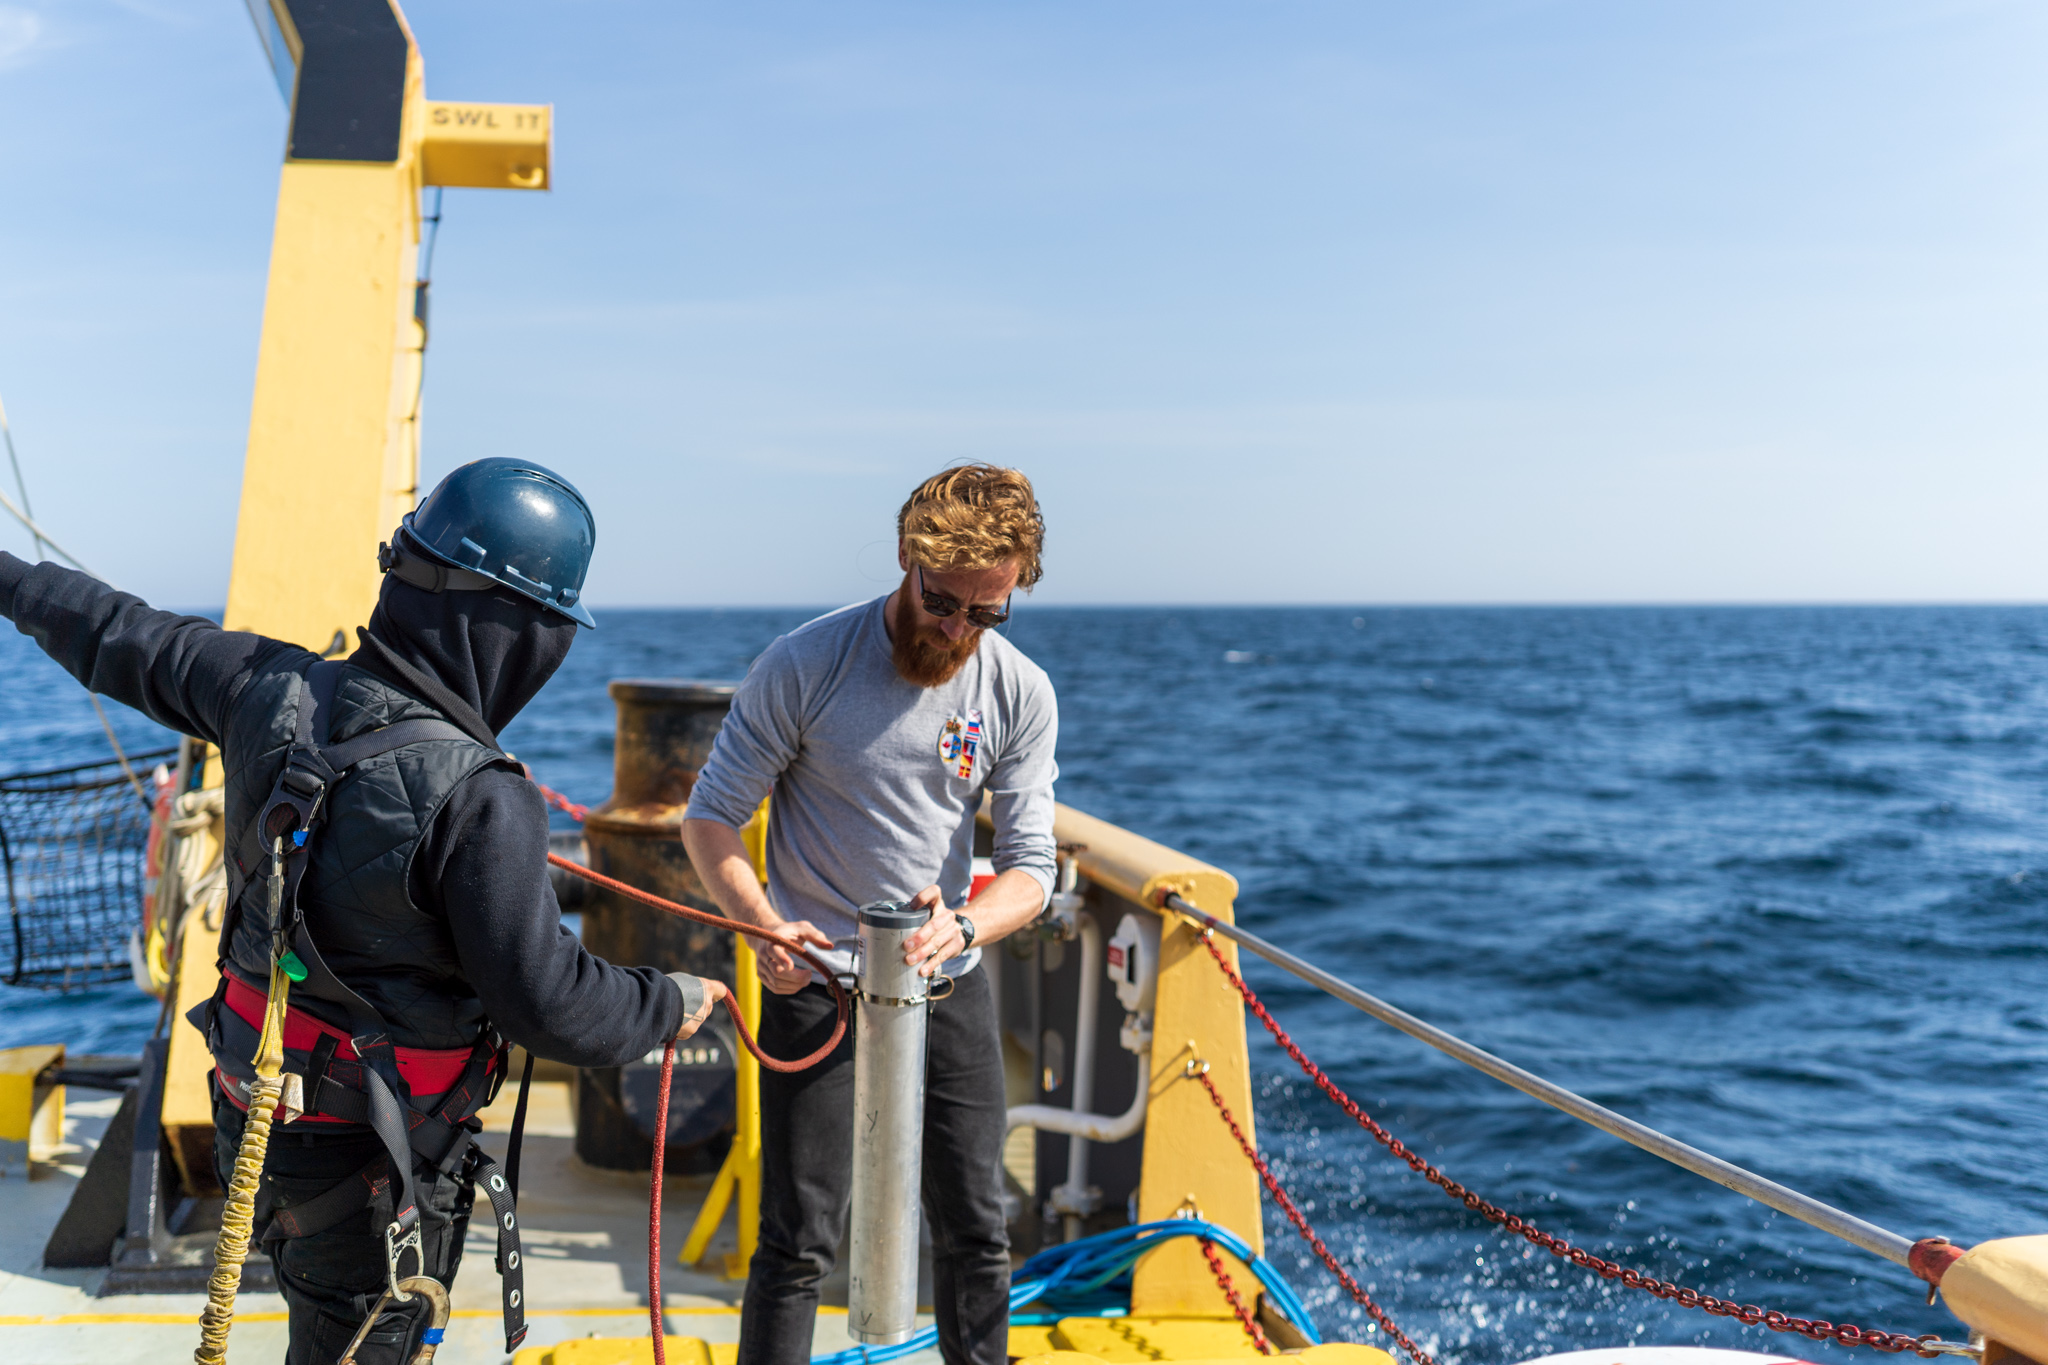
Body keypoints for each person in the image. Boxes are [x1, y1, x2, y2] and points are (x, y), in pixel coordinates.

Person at [0, 458, 727, 1365]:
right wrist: (672, 998)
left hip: (255, 1117)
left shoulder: (263, 686)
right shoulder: (485, 799)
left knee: (318, 1318)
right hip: (378, 1161)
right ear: (519, 632)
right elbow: (552, 1004)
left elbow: (113, 630)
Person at [683, 462, 1059, 1365]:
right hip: (819, 981)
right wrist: (763, 919)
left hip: (944, 976)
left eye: (987, 611)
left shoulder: (1020, 691)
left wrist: (965, 924)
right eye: (944, 602)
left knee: (976, 1226)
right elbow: (710, 819)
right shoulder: (805, 664)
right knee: (800, 1235)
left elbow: (1031, 869)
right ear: (906, 557)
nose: (960, 627)